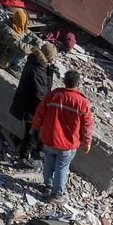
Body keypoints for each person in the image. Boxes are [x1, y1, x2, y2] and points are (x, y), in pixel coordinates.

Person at [31, 70, 93, 200]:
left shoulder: (53, 95)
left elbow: (39, 112)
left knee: (48, 162)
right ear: (78, 84)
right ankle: (57, 194)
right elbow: (87, 124)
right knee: (62, 167)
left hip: (50, 138)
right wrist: (87, 142)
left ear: (64, 81)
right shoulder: (82, 102)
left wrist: (34, 126)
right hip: (68, 143)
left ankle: (48, 185)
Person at [11, 42, 60, 166]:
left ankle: (35, 151)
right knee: (32, 132)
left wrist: (50, 70)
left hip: (31, 104)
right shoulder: (38, 71)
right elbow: (40, 94)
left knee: (35, 132)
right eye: (54, 57)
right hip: (31, 106)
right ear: (49, 57)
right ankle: (24, 157)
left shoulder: (37, 63)